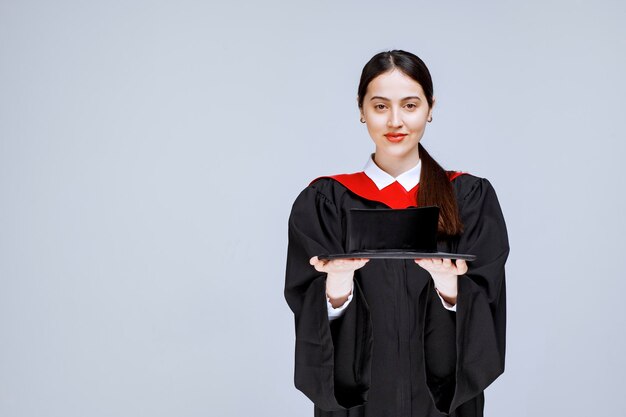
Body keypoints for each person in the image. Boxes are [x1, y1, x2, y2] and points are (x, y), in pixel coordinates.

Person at [284, 50, 509, 417]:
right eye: (379, 106)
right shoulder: (326, 202)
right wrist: (337, 290)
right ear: (361, 110)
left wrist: (450, 290)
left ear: (430, 108)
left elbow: (487, 303)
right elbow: (307, 310)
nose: (395, 121)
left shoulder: (467, 198)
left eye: (409, 105)